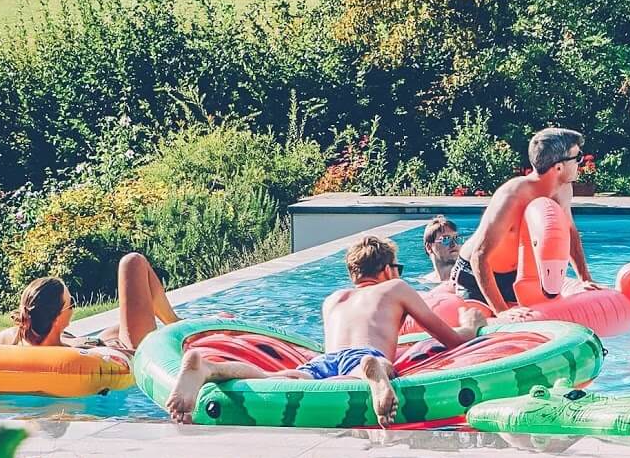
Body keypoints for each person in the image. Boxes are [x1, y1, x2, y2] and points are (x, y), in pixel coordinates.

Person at [164, 234, 482, 427]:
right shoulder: (395, 288)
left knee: (279, 379)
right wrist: (471, 326)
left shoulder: (333, 300)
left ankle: (207, 367)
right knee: (376, 364)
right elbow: (450, 340)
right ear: (387, 269)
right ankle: (374, 374)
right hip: (364, 358)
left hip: (322, 363)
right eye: (396, 268)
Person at [0, 252, 182, 362]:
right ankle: (176, 324)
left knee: (112, 330)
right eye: (72, 303)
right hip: (130, 349)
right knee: (132, 263)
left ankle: (171, 325)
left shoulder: (11, 339)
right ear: (61, 317)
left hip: (98, 341)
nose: (74, 307)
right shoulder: (71, 356)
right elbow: (112, 359)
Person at [448, 127, 595, 310]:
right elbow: (480, 255)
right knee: (485, 329)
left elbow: (570, 232)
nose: (580, 163)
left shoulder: (563, 190)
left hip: (515, 277)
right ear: (558, 167)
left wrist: (585, 279)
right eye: (577, 158)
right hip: (476, 275)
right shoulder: (512, 196)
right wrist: (501, 312)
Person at [420, 215, 461, 283]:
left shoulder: (473, 281)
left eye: (456, 238)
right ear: (429, 247)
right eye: (445, 239)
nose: (454, 244)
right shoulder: (424, 282)